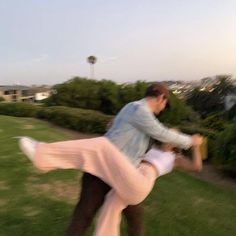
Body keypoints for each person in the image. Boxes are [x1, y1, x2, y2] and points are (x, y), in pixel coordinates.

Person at [18, 130, 203, 236]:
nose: (168, 135)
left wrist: (196, 145)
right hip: (126, 176)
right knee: (110, 210)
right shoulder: (150, 145)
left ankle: (42, 155)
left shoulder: (174, 158)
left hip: (141, 180)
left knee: (101, 146)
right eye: (168, 133)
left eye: (173, 135)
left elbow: (196, 167)